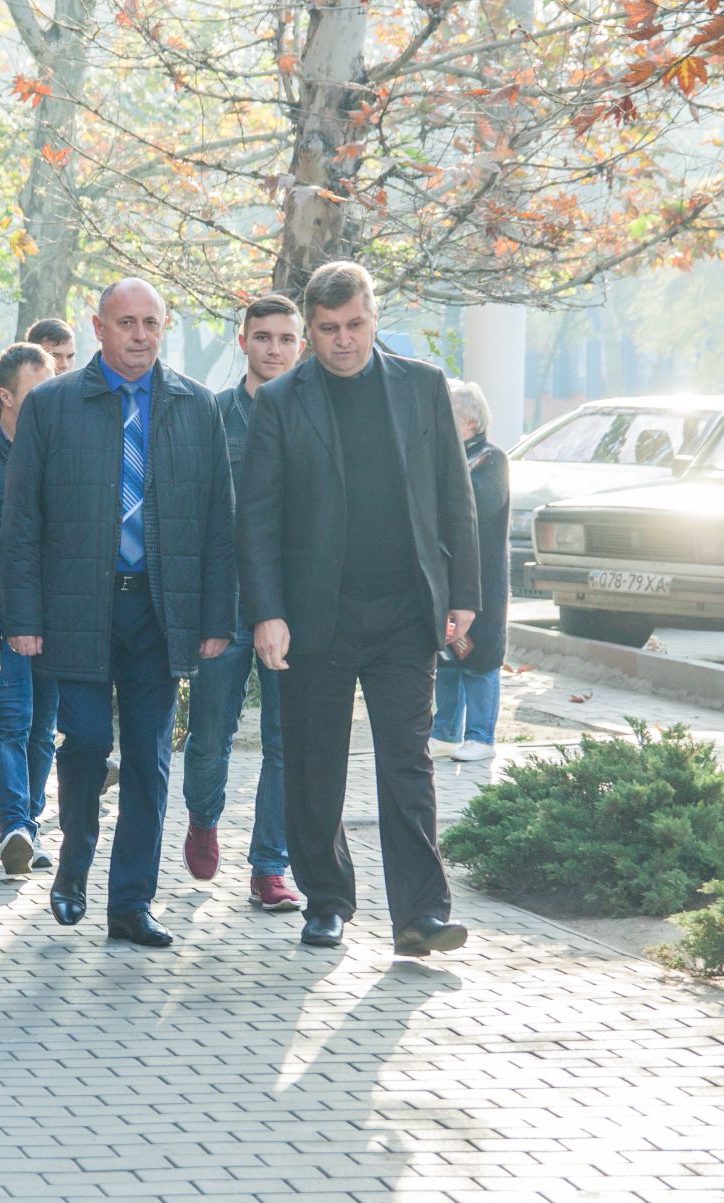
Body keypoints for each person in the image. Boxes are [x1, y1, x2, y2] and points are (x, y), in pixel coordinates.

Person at [240, 260, 480, 956]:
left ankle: (420, 915)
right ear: (311, 330)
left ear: (375, 318)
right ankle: (327, 901)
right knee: (315, 765)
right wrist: (267, 613)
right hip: (317, 614)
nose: (343, 340)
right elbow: (258, 518)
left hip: (406, 609)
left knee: (408, 763)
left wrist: (465, 595)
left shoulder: (423, 386)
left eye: (355, 324)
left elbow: (454, 495)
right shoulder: (280, 401)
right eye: (327, 329)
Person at [1, 278, 235, 949]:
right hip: (77, 606)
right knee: (85, 744)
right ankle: (73, 864)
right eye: (125, 322)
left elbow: (219, 520)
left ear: (164, 327)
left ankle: (132, 903)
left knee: (149, 758)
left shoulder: (196, 405)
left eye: (150, 323)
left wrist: (216, 619)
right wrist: (22, 616)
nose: (139, 335)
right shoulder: (52, 405)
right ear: (98, 327)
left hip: (159, 610)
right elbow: (21, 520)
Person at [180, 293, 303, 908]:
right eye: (263, 337)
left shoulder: (312, 417)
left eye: (285, 338)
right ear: (243, 341)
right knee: (210, 735)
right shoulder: (213, 416)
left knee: (286, 740)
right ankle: (203, 817)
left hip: (292, 604)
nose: (274, 349)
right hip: (223, 604)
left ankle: (269, 866)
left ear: (300, 346)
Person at [0, 343, 58, 877]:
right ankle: (14, 826)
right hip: (0, 611)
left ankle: (29, 825)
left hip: (55, 611)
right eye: (37, 391)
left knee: (42, 730)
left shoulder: (63, 446)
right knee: (9, 721)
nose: (50, 400)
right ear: (6, 396)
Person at [430, 381, 509, 764]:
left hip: (483, 580)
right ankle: (444, 732)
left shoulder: (492, 460)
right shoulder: (445, 459)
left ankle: (481, 736)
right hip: (448, 577)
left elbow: (478, 503)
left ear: (471, 421)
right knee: (446, 659)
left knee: (481, 659)